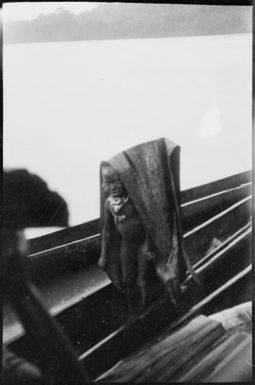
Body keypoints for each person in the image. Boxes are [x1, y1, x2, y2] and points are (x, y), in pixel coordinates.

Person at [98, 163, 153, 313]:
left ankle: (147, 308)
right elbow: (107, 231)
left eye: (116, 181)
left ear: (124, 180)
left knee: (142, 279)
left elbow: (148, 223)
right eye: (109, 183)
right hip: (127, 243)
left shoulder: (133, 198)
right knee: (126, 278)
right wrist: (103, 255)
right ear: (105, 185)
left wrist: (147, 246)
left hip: (142, 241)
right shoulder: (108, 203)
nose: (114, 186)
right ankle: (132, 311)